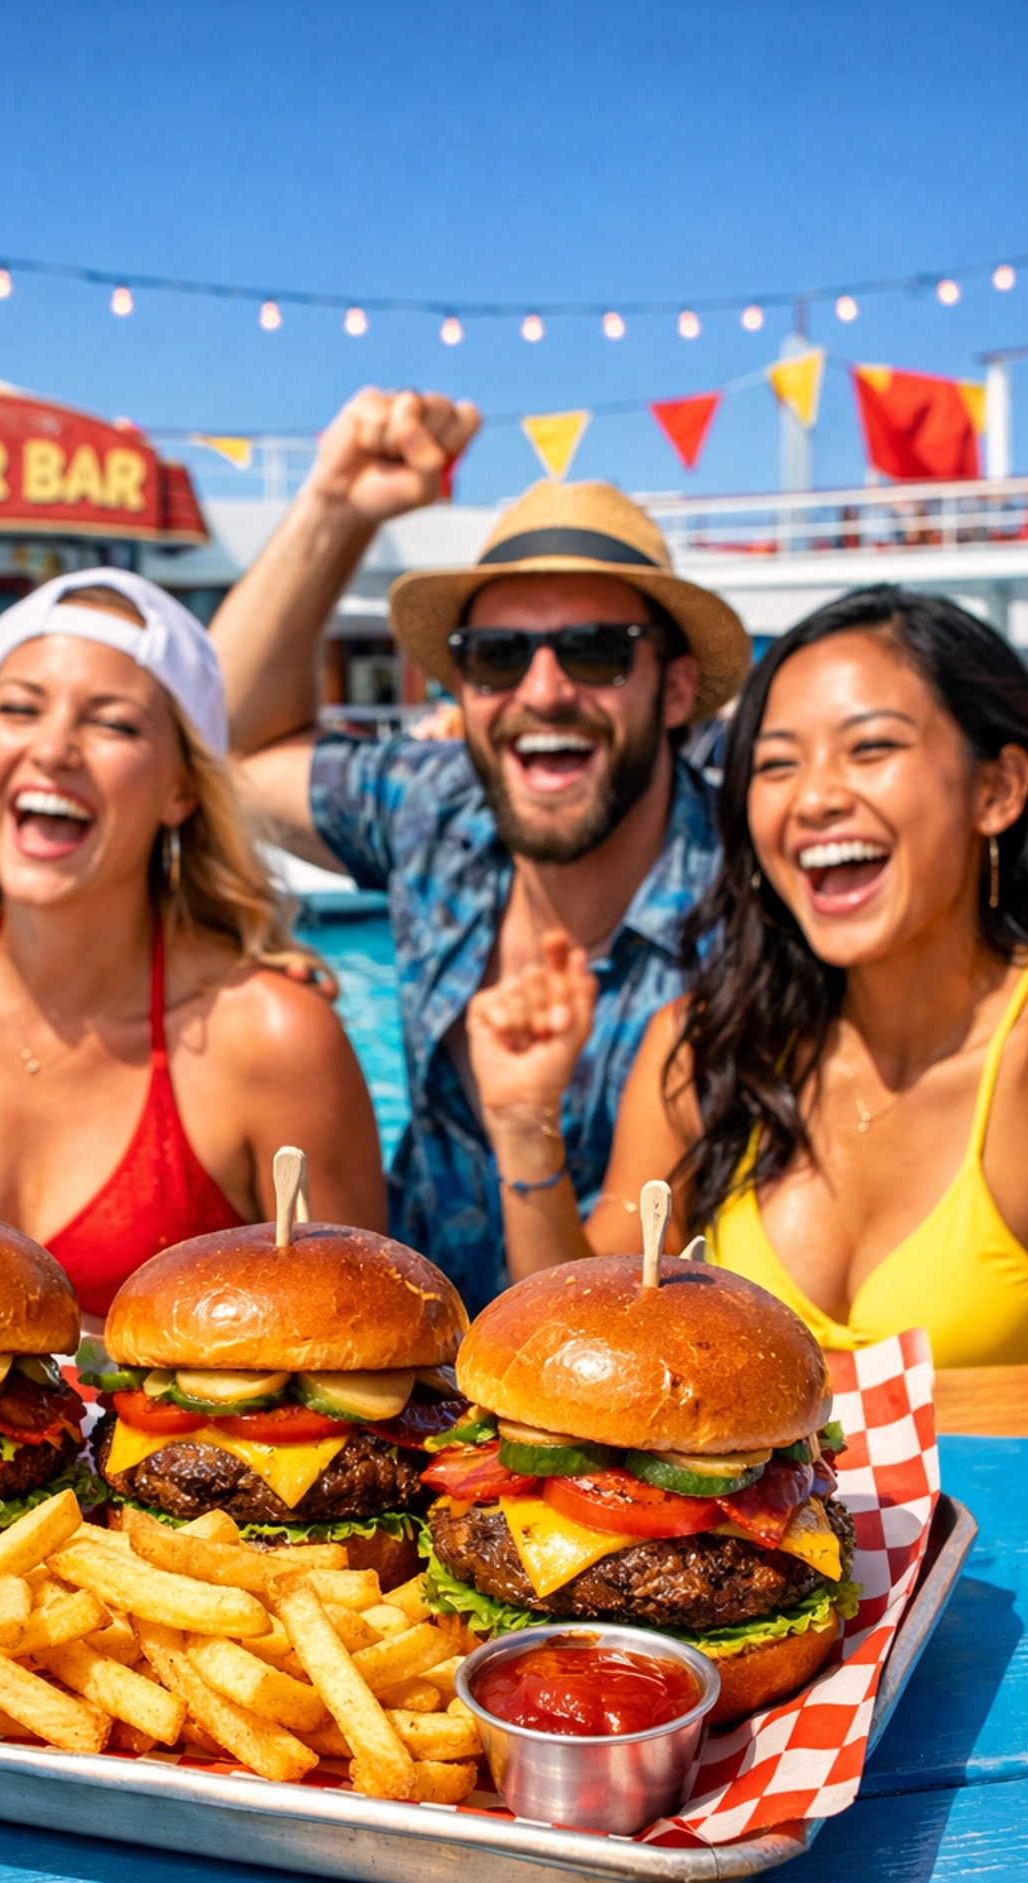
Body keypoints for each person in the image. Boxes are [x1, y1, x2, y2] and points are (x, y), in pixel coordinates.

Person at [212, 388, 752, 1312]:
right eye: (497, 655)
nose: (541, 691)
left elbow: (630, 1311)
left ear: (674, 690)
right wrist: (336, 510)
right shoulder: (439, 810)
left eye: (596, 651)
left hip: (636, 1373)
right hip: (403, 1365)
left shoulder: (749, 903)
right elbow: (220, 751)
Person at [464, 586, 1028, 1366]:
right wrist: (524, 1124)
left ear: (997, 790)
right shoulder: (705, 1050)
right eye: (777, 764)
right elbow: (583, 1341)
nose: (815, 798)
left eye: (871, 748)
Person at [0, 570, 385, 1321]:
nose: (54, 748)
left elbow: (358, 1341)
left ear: (181, 790)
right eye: (19, 708)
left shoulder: (276, 1040)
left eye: (113, 724)